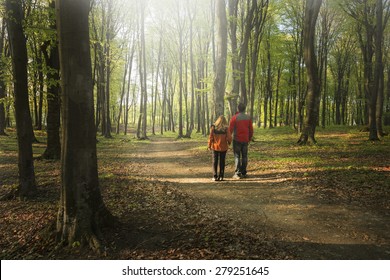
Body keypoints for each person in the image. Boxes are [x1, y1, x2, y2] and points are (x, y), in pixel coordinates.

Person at [229, 102, 253, 179]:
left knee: (237, 156)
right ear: (244, 109)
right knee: (245, 156)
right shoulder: (248, 118)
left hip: (237, 139)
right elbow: (251, 130)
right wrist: (249, 138)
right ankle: (244, 172)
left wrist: (228, 139)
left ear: (238, 109)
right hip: (245, 140)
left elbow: (230, 129)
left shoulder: (234, 117)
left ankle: (237, 173)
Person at [208, 115, 232, 181]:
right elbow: (229, 137)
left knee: (214, 161)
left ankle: (215, 176)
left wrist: (209, 145)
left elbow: (210, 137)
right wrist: (229, 142)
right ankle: (221, 176)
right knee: (222, 161)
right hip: (223, 147)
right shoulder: (226, 128)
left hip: (215, 147)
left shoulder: (213, 127)